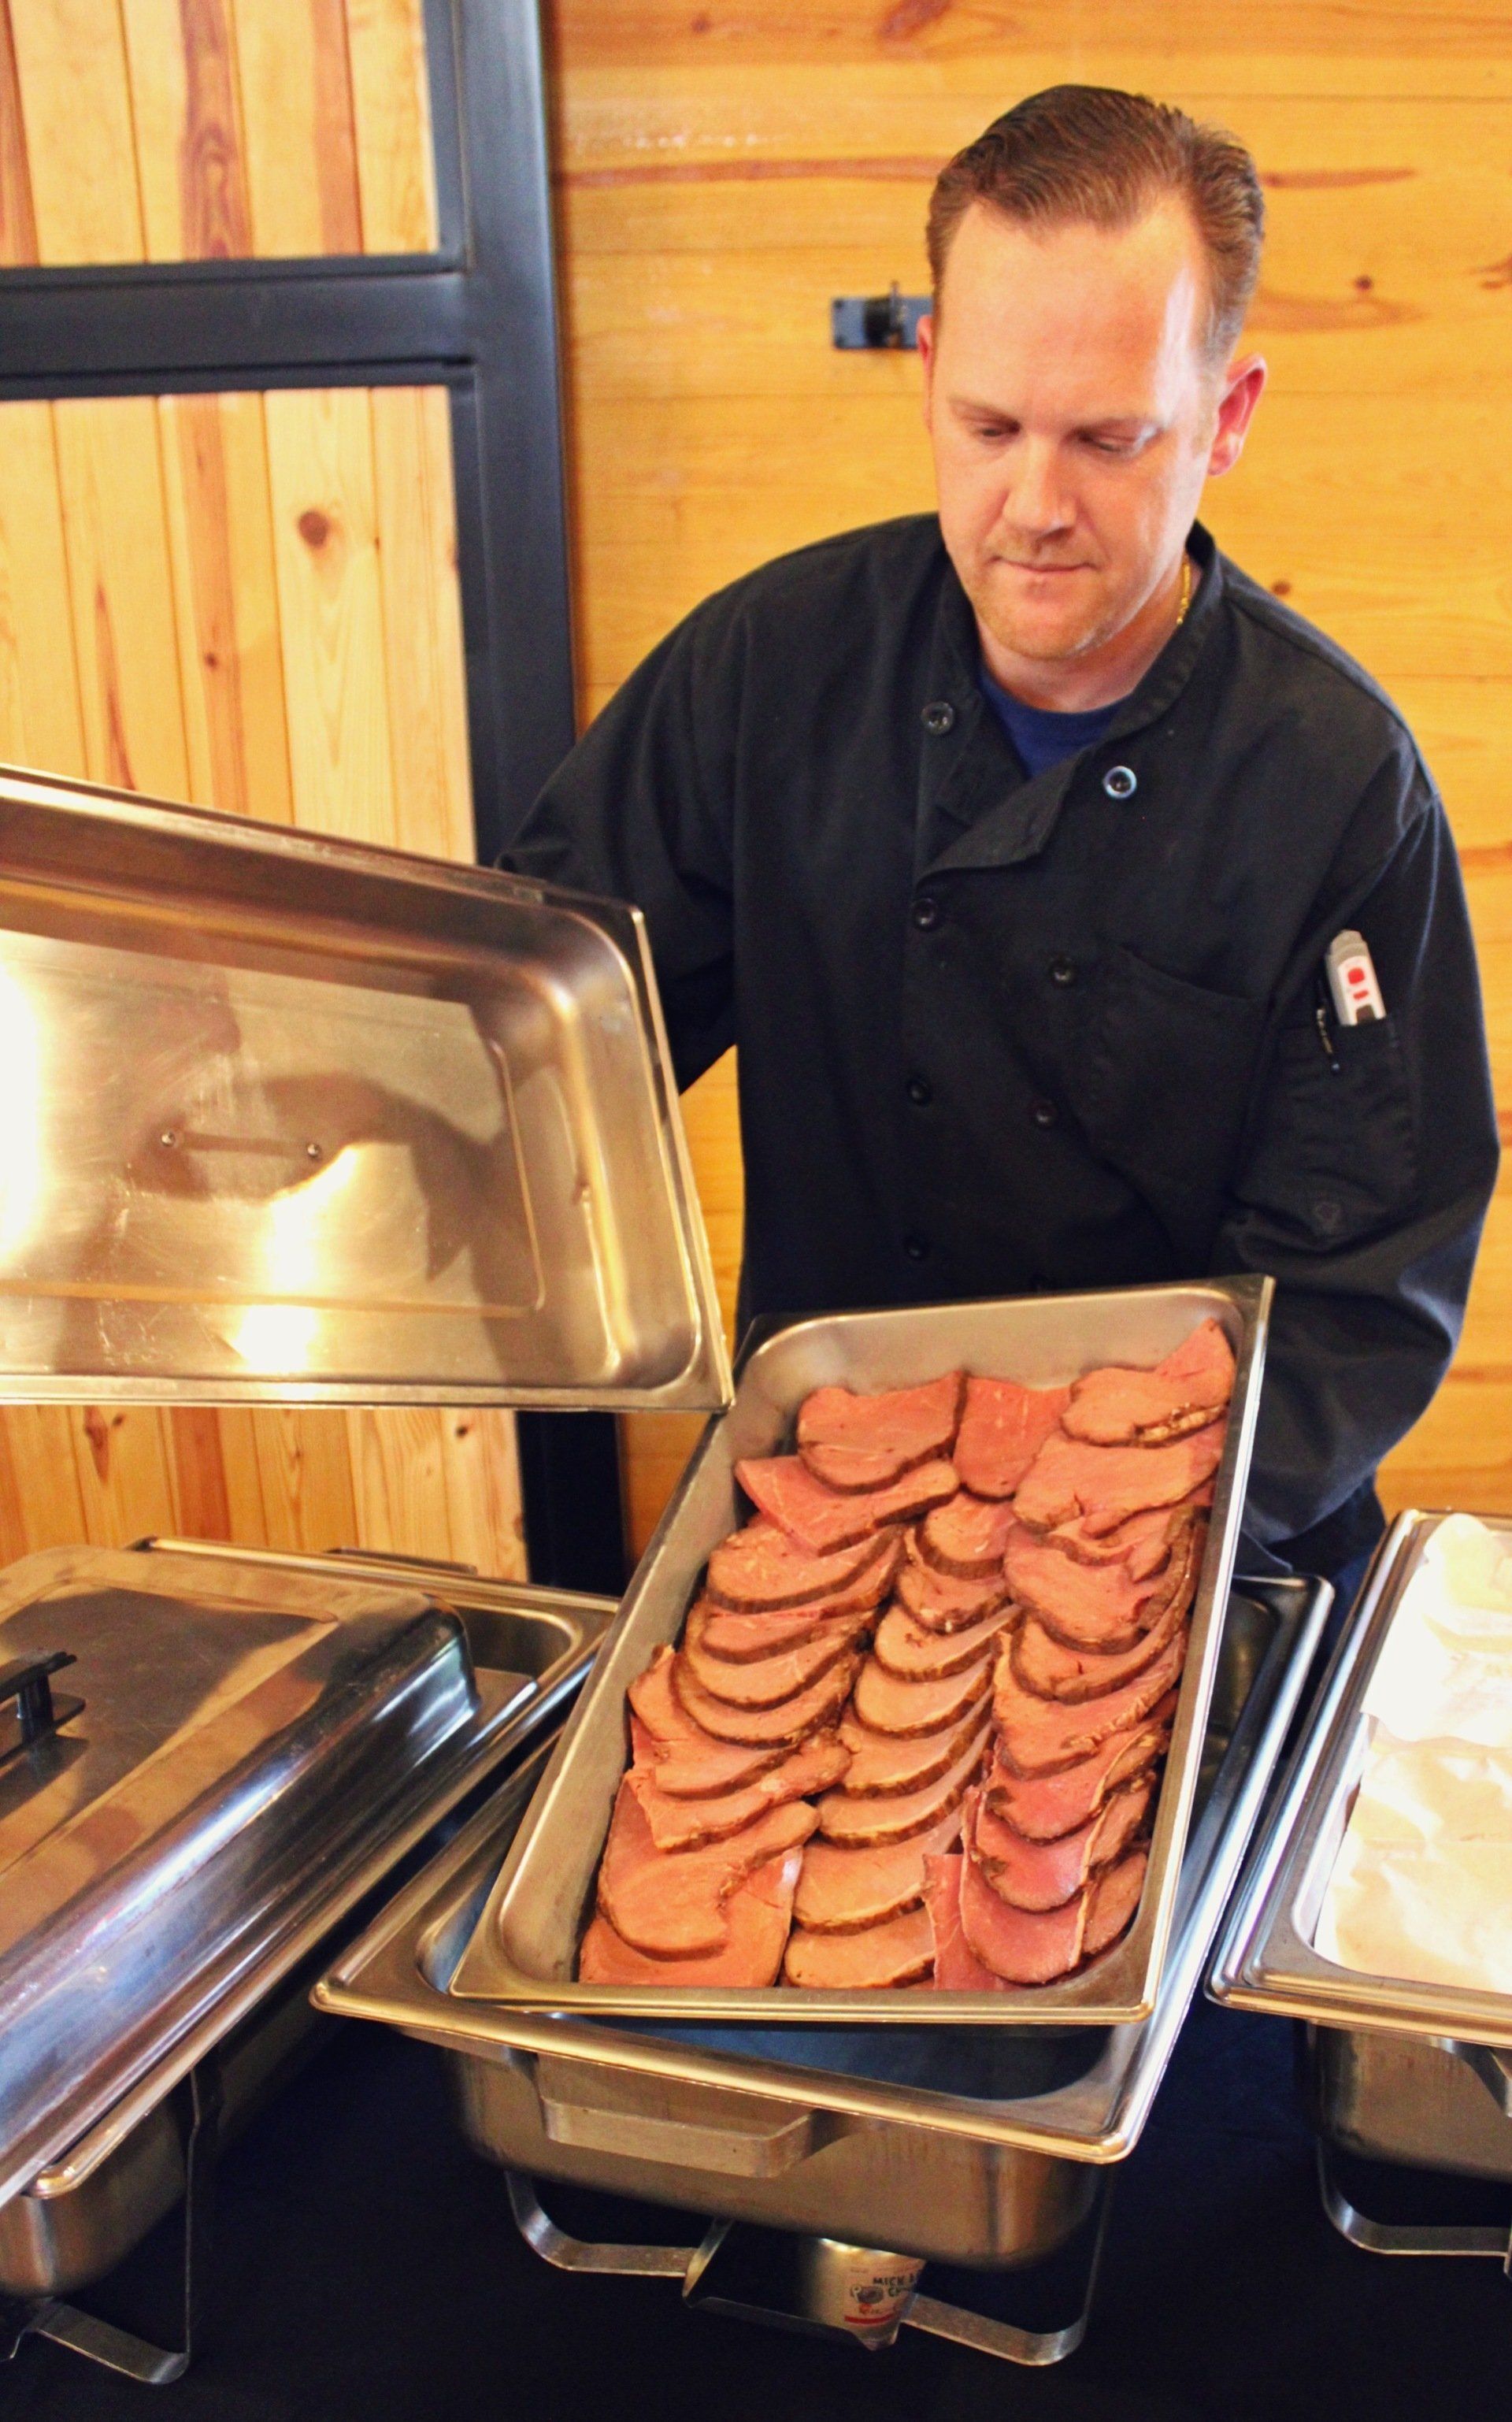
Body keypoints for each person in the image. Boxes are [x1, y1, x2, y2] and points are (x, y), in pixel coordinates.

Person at [503, 84, 1498, 1591]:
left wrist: (1106, 1546)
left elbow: (1359, 1290)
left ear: (1226, 421)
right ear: (926, 374)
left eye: (1108, 437)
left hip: (1182, 1554)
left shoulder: (1335, 780)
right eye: (987, 426)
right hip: (826, 1521)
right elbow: (546, 1032)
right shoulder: (768, 668)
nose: (1032, 505)